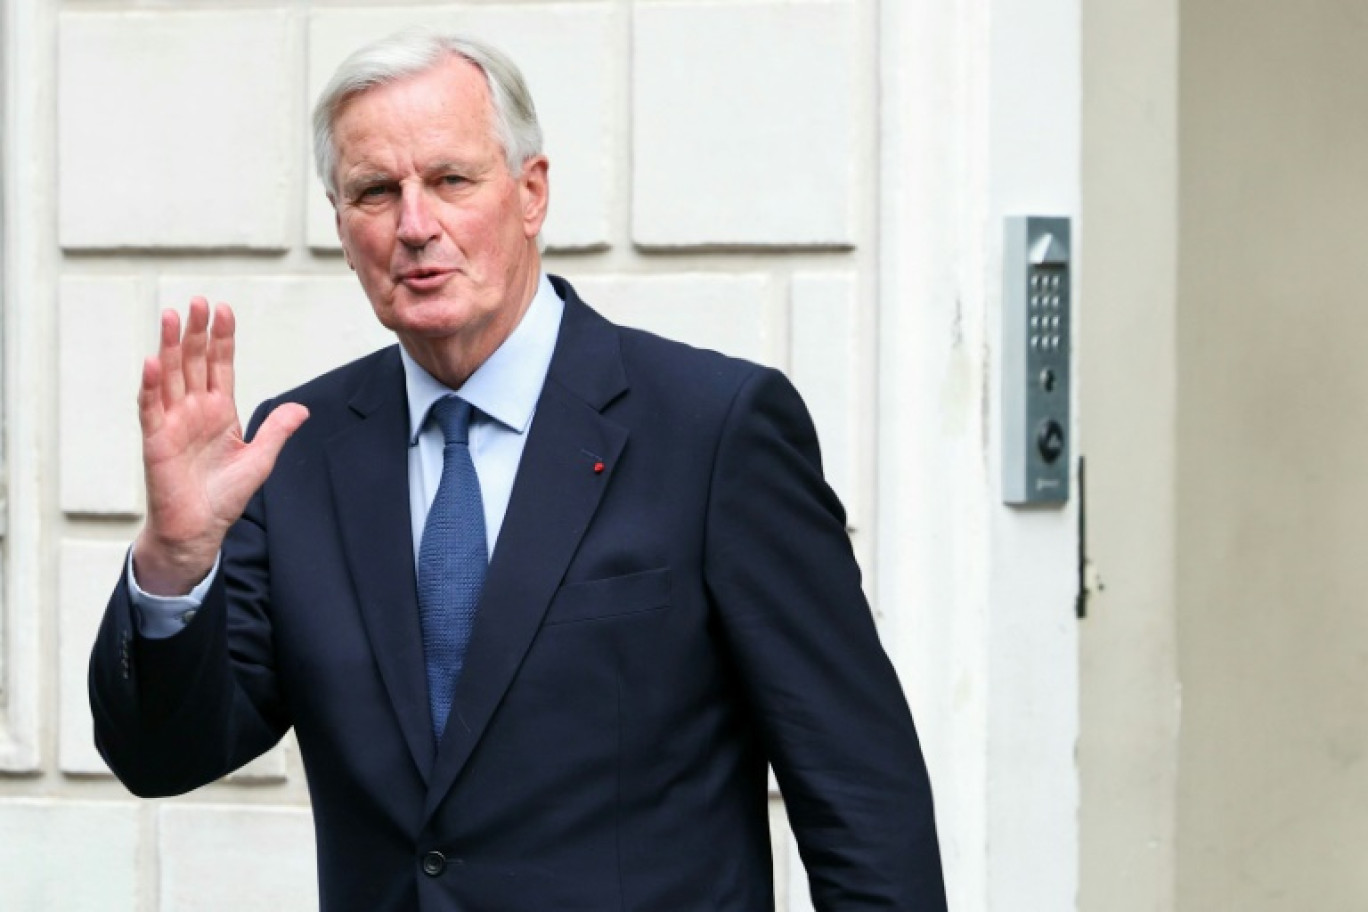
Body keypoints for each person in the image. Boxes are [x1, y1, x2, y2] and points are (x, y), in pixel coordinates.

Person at [89, 29, 946, 911]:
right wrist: (176, 564)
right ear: (343, 231)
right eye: (376, 192)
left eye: (452, 180)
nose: (415, 226)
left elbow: (860, 797)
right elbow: (165, 759)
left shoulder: (712, 431)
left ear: (531, 194)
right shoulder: (295, 448)